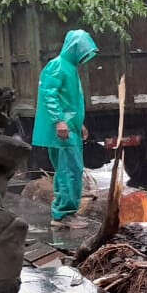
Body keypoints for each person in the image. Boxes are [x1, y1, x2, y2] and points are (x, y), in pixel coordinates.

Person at [32, 29, 98, 228]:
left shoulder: (68, 67)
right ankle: (63, 215)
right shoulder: (58, 66)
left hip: (70, 128)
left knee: (70, 170)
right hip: (63, 130)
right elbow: (48, 95)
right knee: (69, 170)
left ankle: (64, 213)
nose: (84, 56)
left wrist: (80, 124)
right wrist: (59, 121)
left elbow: (69, 102)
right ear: (74, 48)